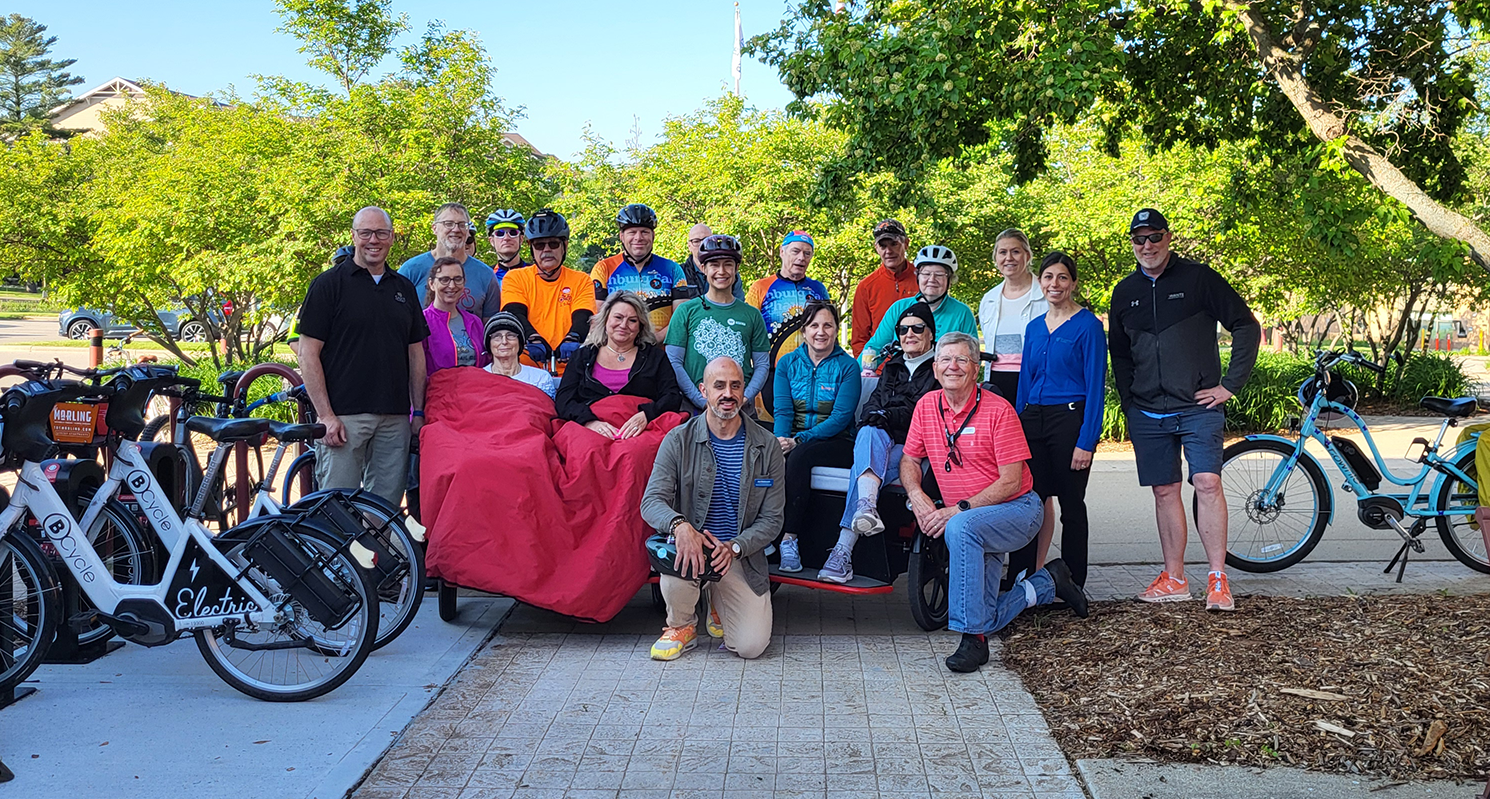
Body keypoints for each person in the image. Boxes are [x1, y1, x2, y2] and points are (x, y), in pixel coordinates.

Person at [899, 332, 1088, 673]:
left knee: (959, 526)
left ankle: (973, 641)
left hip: (1016, 510)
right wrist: (918, 496)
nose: (952, 366)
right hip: (971, 520)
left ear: (976, 370)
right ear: (935, 368)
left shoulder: (998, 410)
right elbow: (910, 460)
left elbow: (1011, 481)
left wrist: (957, 510)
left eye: (961, 360)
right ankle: (1047, 582)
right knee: (986, 614)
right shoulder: (927, 406)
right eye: (945, 360)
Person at [1109, 208, 1261, 612]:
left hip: (1198, 406)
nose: (1147, 246)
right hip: (1147, 411)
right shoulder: (1124, 292)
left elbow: (1246, 326)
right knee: (1165, 491)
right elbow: (1119, 355)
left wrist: (1230, 385)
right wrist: (1129, 402)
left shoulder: (1199, 279)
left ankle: (1217, 579)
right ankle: (1174, 577)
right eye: (1139, 240)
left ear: (1168, 237)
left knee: (1208, 483)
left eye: (1154, 237)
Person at [640, 357, 785, 661]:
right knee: (680, 557)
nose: (727, 394)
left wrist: (735, 547)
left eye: (735, 385)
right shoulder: (678, 439)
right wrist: (680, 526)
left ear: (744, 391)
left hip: (736, 554)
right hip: (691, 549)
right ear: (703, 390)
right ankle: (682, 626)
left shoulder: (767, 445)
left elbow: (772, 519)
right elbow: (651, 501)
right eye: (719, 386)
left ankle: (718, 601)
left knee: (750, 647)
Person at [298, 206, 429, 505]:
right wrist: (326, 416)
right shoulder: (328, 284)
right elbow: (307, 354)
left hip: (394, 418)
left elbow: (415, 354)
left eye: (381, 233)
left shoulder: (403, 288)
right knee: (336, 509)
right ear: (354, 236)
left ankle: (376, 555)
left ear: (392, 237)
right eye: (366, 233)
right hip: (344, 417)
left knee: (385, 512)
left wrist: (417, 411)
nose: (374, 240)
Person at [819, 303, 940, 583]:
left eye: (917, 328)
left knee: (860, 470)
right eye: (903, 329)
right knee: (868, 432)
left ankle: (842, 551)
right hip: (881, 439)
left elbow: (921, 412)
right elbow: (871, 408)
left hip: (914, 448)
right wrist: (877, 416)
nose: (909, 334)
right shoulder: (892, 367)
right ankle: (866, 508)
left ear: (931, 334)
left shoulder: (937, 370)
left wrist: (886, 414)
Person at [1009, 252, 1107, 590]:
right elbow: (1025, 381)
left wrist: (1086, 441)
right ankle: (1020, 578)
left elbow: (1096, 387)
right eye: (1049, 277)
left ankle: (1073, 582)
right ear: (1040, 283)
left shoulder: (1089, 327)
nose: (1055, 284)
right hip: (1032, 419)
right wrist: (1017, 425)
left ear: (1074, 283)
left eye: (1062, 277)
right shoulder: (1034, 327)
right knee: (1028, 501)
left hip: (1069, 418)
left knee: (1071, 504)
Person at [771, 300, 861, 572]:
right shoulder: (787, 364)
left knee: (800, 455)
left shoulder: (848, 367)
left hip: (838, 441)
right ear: (804, 330)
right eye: (814, 326)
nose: (820, 332)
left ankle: (788, 540)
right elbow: (783, 410)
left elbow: (840, 418)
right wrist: (780, 440)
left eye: (827, 325)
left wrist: (798, 440)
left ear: (836, 330)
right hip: (795, 440)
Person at [666, 235, 770, 415]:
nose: (721, 271)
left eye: (728, 264)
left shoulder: (752, 314)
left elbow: (762, 363)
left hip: (739, 408)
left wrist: (745, 397)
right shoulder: (686, 311)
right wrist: (701, 401)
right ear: (703, 268)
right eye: (714, 265)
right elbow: (674, 361)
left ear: (736, 268)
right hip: (695, 409)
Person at [556, 291, 682, 435]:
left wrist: (647, 415)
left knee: (639, 452)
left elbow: (672, 396)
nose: (623, 325)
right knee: (586, 450)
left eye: (632, 320)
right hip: (591, 428)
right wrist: (589, 422)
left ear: (641, 326)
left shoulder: (655, 357)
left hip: (641, 430)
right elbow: (564, 400)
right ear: (605, 320)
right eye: (618, 317)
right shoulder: (582, 356)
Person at [500, 209, 595, 375]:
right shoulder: (515, 278)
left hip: (568, 368)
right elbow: (514, 313)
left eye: (553, 244)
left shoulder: (581, 280)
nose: (546, 250)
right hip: (525, 368)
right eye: (539, 245)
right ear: (531, 248)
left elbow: (583, 316)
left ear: (564, 245)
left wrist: (573, 337)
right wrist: (532, 337)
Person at [859, 245, 978, 371]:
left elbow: (972, 355)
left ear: (949, 279)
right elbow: (875, 348)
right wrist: (854, 377)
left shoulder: (962, 313)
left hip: (944, 383)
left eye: (939, 275)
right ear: (917, 276)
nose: (932, 280)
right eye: (926, 274)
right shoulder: (899, 308)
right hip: (903, 379)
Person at [590, 203, 687, 339]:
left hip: (661, 350)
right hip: (618, 349)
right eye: (632, 232)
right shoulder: (603, 268)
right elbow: (598, 316)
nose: (638, 238)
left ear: (653, 235)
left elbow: (681, 316)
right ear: (622, 236)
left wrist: (656, 338)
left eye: (644, 232)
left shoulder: (672, 269)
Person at [978, 228, 1049, 400]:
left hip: (1036, 382)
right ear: (996, 258)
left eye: (1015, 251)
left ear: (1028, 255)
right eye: (1002, 252)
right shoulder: (988, 300)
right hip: (997, 383)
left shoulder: (1046, 295)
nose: (1009, 258)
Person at [398, 203, 502, 319]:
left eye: (462, 225)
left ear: (468, 231)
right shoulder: (411, 270)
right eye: (449, 224)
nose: (456, 229)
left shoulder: (485, 275)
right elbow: (395, 317)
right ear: (435, 228)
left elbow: (489, 329)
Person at [746, 230, 830, 364]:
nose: (801, 258)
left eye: (807, 253)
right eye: (795, 251)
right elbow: (747, 329)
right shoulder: (760, 287)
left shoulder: (818, 289)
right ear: (782, 252)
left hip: (812, 368)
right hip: (772, 369)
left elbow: (829, 328)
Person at [849, 218, 918, 356]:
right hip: (880, 370)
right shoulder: (866, 287)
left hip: (919, 366)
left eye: (894, 244)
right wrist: (868, 368)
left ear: (906, 243)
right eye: (883, 246)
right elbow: (859, 339)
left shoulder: (924, 280)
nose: (888, 251)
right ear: (876, 248)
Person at [422, 256, 490, 374]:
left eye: (457, 279)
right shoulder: (422, 322)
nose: (452, 286)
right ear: (432, 284)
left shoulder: (475, 322)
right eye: (444, 279)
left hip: (475, 388)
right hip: (438, 390)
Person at [484, 311, 557, 399]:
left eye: (511, 335)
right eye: (497, 336)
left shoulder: (540, 378)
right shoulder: (479, 378)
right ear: (489, 344)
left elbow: (546, 409)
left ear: (520, 342)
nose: (504, 341)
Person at [679, 222, 743, 302]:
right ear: (689, 246)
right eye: (696, 241)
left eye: (706, 240)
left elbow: (738, 304)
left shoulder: (730, 274)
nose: (702, 244)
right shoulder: (679, 274)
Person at [484, 208, 529, 287]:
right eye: (500, 233)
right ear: (491, 241)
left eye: (513, 232)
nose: (506, 238)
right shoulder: (485, 276)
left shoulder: (536, 273)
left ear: (521, 239)